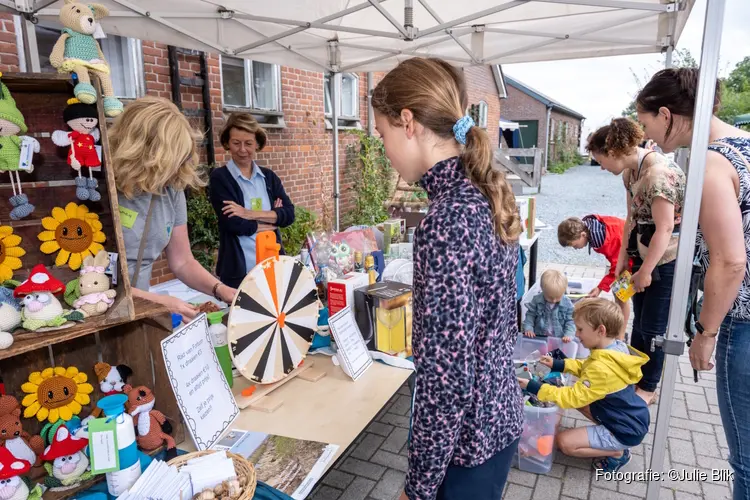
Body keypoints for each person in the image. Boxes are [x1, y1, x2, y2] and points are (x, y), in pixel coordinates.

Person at [372, 57, 523, 500]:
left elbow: (446, 378)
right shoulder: (480, 193)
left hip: (466, 446)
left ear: (408, 123)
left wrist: (417, 488)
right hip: (497, 419)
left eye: (382, 135)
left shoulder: (447, 219)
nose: (383, 148)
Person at [636, 67, 750, 498]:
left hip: (743, 318)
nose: (647, 134)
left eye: (646, 123)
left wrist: (706, 332)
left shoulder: (710, 162)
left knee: (745, 462)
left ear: (666, 114)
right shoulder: (744, 145)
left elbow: (731, 260)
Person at [586, 117, 685, 405]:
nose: (602, 167)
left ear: (614, 151)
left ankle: (649, 387)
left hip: (665, 261)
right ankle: (635, 374)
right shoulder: (630, 173)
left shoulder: (658, 174)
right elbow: (631, 219)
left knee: (653, 328)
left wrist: (647, 270)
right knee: (639, 323)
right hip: (641, 256)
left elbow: (665, 228)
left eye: (601, 160)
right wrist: (622, 262)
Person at [109, 97, 236, 318]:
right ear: (144, 152)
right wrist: (159, 302)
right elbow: (91, 282)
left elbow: (183, 261)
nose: (177, 168)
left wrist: (220, 289)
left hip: (137, 314)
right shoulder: (100, 189)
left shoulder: (171, 188)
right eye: (172, 159)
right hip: (98, 313)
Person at [518, 298, 649, 472]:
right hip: (628, 416)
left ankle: (618, 452)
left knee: (564, 442)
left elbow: (571, 397)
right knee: (581, 399)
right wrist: (558, 364)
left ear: (600, 330)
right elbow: (586, 367)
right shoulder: (613, 349)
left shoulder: (602, 368)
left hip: (624, 429)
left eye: (580, 329)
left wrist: (533, 386)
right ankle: (608, 437)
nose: (577, 335)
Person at [209, 113, 295, 289]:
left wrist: (248, 213)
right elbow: (233, 224)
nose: (242, 149)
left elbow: (289, 214)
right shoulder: (220, 178)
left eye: (248, 143)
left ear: (257, 144)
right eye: (236, 143)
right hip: (239, 273)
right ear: (227, 143)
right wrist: (272, 218)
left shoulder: (269, 177)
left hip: (272, 265)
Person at [558, 215, 630, 339]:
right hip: (625, 251)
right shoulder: (592, 227)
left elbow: (618, 266)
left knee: (621, 295)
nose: (575, 248)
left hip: (630, 258)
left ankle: (620, 336)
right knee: (617, 293)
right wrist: (600, 288)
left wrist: (600, 288)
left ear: (582, 235)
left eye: (574, 245)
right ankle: (618, 330)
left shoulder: (604, 239)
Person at [522, 269, 575, 342]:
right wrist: (529, 329)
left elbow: (570, 321)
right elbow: (530, 315)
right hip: (540, 337)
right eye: (550, 297)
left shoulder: (567, 304)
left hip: (559, 339)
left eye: (558, 297)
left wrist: (568, 335)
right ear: (542, 289)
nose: (553, 300)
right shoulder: (537, 300)